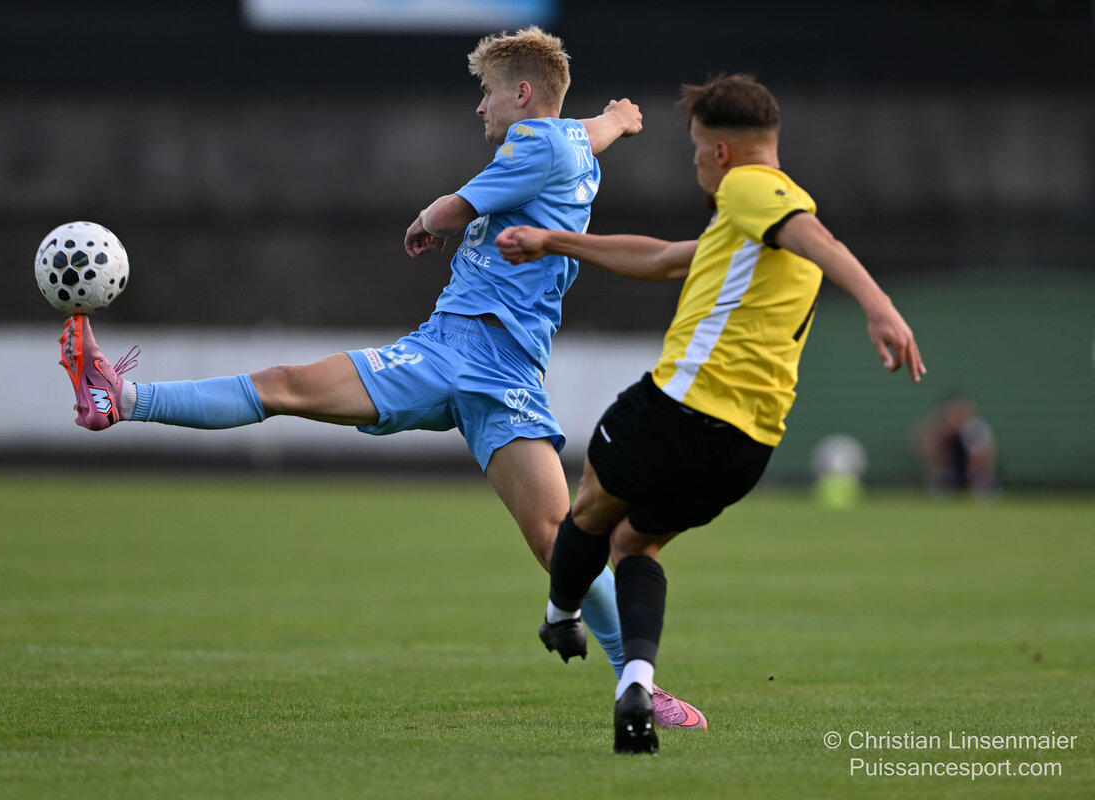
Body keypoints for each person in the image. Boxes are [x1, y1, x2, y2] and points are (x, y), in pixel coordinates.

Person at [58, 26, 704, 726]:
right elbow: (591, 131)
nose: (479, 107)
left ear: (522, 94)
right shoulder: (572, 142)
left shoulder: (534, 144)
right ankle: (120, 398)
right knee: (294, 388)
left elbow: (455, 207)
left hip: (477, 359)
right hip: (474, 359)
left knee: (555, 536)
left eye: (487, 93)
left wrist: (425, 220)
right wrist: (618, 118)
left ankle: (638, 685)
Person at [496, 73, 926, 754]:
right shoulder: (752, 235)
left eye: (697, 149)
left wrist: (880, 307)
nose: (695, 163)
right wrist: (555, 241)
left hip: (678, 407)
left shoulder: (753, 189)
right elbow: (663, 259)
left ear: (720, 151)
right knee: (636, 544)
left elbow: (820, 239)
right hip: (747, 446)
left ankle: (561, 611)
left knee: (589, 508)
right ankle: (636, 682)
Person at [916, 393, 998, 499]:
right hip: (953, 472)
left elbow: (981, 460)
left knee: (982, 491)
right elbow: (924, 447)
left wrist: (972, 479)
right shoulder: (942, 431)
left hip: (975, 474)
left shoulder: (975, 429)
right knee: (941, 491)